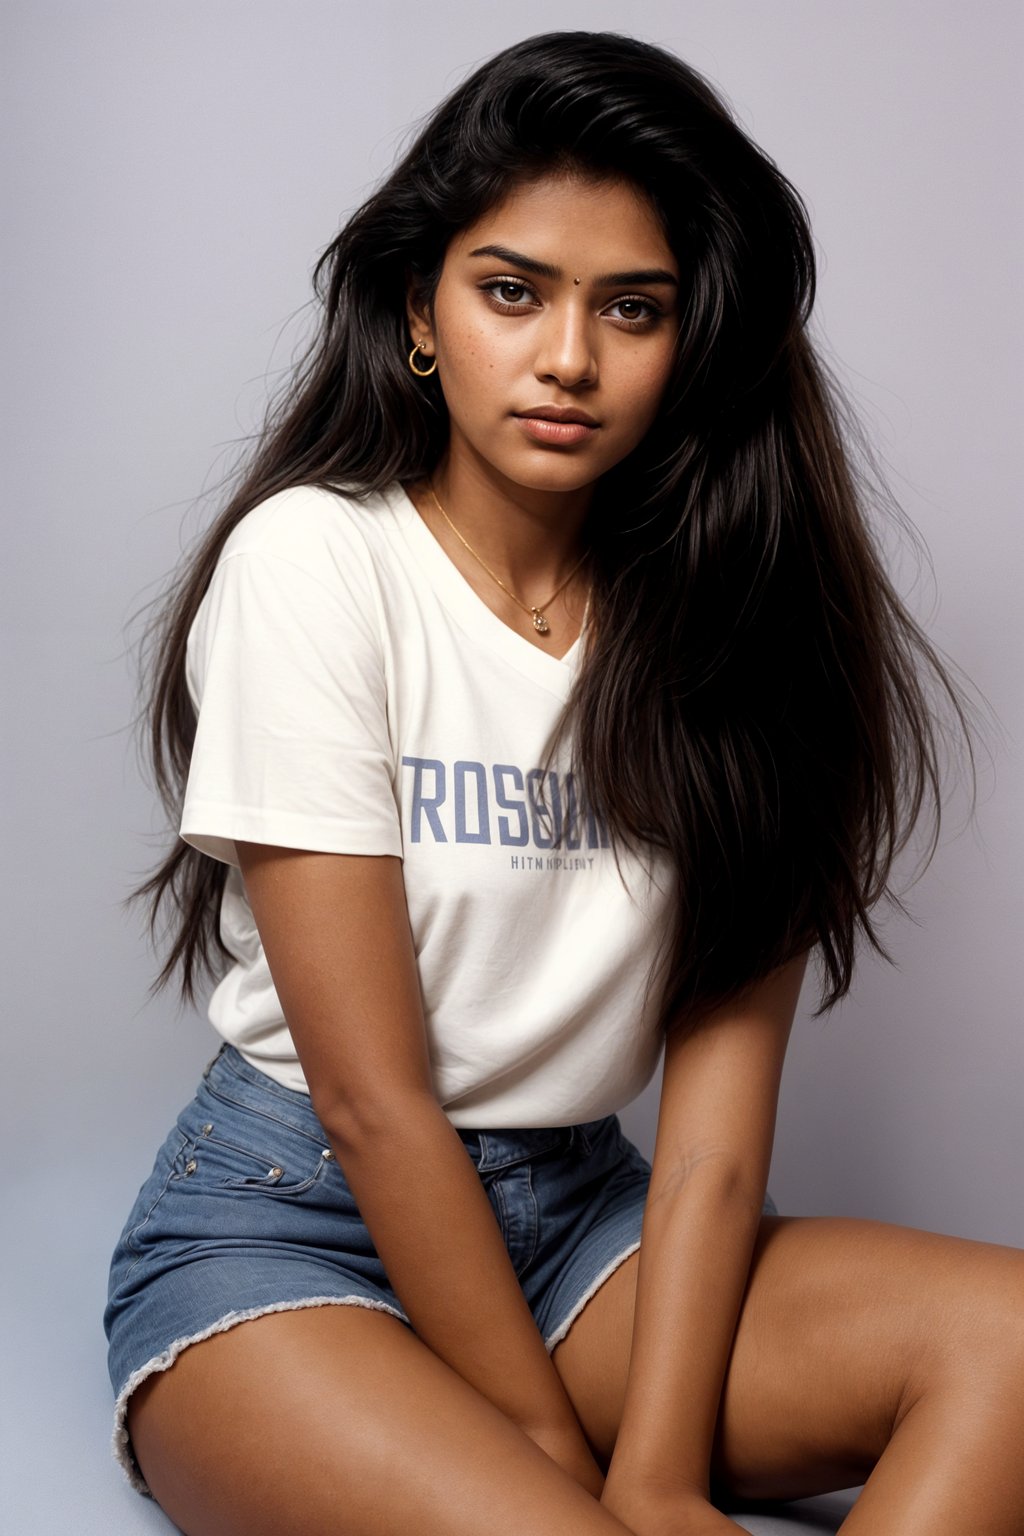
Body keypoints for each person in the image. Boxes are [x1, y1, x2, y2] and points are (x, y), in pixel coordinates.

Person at [104, 29, 1023, 1536]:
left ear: (691, 342)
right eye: (511, 290)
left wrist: (658, 1475)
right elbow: (371, 1098)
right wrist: (555, 1455)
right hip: (288, 1232)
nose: (569, 358)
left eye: (633, 308)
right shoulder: (320, 564)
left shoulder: (742, 624)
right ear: (422, 309)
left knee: (1013, 1346)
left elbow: (720, 1135)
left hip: (585, 1226)